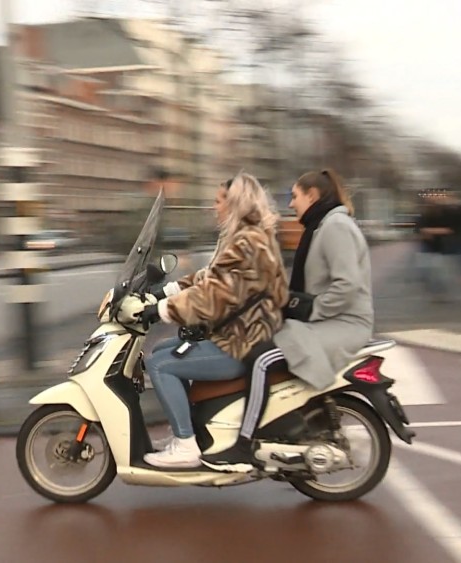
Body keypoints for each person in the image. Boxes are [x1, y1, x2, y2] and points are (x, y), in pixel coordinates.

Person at [201, 168, 374, 473]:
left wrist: (311, 309)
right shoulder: (322, 225)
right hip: (326, 321)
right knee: (260, 342)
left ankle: (244, 444)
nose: (291, 204)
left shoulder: (336, 227)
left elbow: (348, 286)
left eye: (295, 196)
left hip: (342, 324)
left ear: (313, 195)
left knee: (262, 358)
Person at [116, 172, 289, 468]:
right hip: (234, 333)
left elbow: (212, 297)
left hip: (239, 341)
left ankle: (186, 445)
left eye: (218, 201)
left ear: (235, 203)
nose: (214, 206)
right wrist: (163, 291)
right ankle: (187, 432)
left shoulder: (247, 243)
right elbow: (209, 278)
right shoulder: (241, 237)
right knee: (160, 351)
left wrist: (159, 311)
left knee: (160, 364)